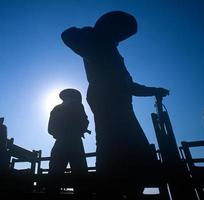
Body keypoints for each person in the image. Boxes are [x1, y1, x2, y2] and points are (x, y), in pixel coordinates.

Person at [61, 11, 169, 198]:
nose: (122, 39)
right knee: (113, 146)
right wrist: (93, 33)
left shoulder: (111, 52)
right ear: (112, 30)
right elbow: (68, 34)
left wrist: (154, 90)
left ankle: (129, 188)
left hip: (122, 106)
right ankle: (111, 188)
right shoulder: (96, 45)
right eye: (121, 34)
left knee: (133, 148)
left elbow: (129, 86)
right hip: (107, 103)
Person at [47, 88, 89, 195]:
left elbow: (51, 129)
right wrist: (79, 130)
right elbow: (84, 121)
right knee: (80, 175)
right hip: (74, 143)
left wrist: (61, 134)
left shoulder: (57, 108)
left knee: (55, 175)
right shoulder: (77, 106)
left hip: (62, 143)